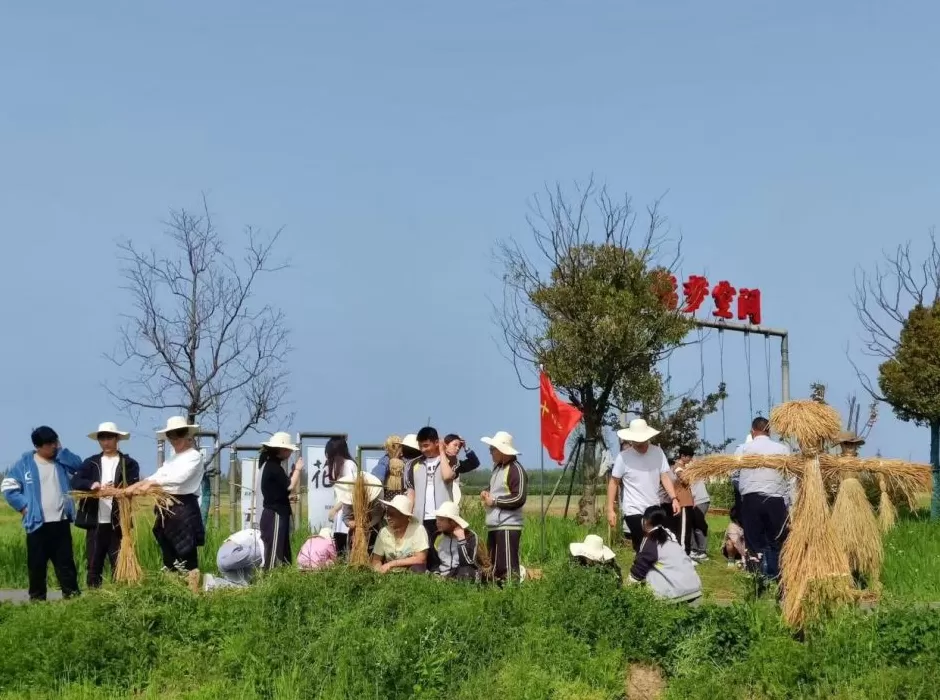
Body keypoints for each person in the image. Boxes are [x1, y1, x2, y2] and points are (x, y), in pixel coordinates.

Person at [2, 426, 83, 601]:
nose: (54, 446)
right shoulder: (25, 464)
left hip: (60, 522)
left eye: (55, 442)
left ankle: (73, 599)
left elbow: (79, 466)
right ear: (39, 446)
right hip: (37, 524)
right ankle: (37, 602)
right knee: (37, 565)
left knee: (66, 564)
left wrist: (62, 451)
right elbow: (8, 488)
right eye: (50, 443)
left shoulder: (61, 462)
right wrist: (24, 508)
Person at [126, 416, 205, 577]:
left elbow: (179, 478)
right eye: (171, 435)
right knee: (169, 553)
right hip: (166, 509)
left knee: (187, 554)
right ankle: (173, 587)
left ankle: (193, 592)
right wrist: (136, 486)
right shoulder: (171, 459)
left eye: (179, 433)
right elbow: (158, 474)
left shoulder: (194, 456)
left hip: (183, 507)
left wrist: (152, 484)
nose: (175, 439)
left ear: (187, 434)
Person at [71, 422, 141, 588]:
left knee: (119, 562)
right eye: (102, 438)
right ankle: (94, 598)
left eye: (109, 437)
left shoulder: (128, 464)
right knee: (94, 564)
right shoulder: (91, 463)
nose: (106, 441)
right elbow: (75, 480)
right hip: (95, 521)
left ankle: (120, 598)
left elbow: (133, 486)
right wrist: (92, 485)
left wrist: (117, 491)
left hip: (118, 523)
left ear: (117, 439)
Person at [606, 419, 679, 552]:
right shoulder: (623, 457)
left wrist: (674, 498)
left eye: (642, 440)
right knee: (643, 544)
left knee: (657, 545)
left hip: (653, 507)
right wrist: (610, 509)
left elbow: (664, 476)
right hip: (633, 509)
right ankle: (640, 570)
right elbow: (614, 482)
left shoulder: (657, 452)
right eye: (636, 440)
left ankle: (650, 570)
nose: (639, 443)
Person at [737, 416, 791, 580]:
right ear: (769, 431)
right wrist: (788, 503)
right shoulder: (782, 449)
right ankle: (776, 574)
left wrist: (743, 491)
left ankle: (755, 576)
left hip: (751, 499)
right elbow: (790, 478)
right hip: (775, 499)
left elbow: (734, 475)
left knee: (753, 540)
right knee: (777, 539)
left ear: (753, 431)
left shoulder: (743, 450)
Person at [627, 505, 703, 603]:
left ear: (645, 521)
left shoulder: (651, 540)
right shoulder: (670, 536)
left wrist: (626, 589)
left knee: (650, 571)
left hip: (676, 595)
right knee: (659, 565)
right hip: (695, 590)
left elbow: (639, 570)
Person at [480, 431, 527, 584]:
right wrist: (487, 492)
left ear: (501, 450)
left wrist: (494, 501)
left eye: (492, 449)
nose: (490, 453)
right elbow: (496, 490)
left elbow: (519, 497)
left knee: (507, 566)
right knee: (493, 563)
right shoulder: (497, 468)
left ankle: (510, 594)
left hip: (508, 525)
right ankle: (496, 592)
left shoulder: (515, 469)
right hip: (495, 524)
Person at [405, 427, 458, 548]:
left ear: (436, 442)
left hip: (444, 516)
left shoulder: (450, 460)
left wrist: (442, 452)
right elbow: (411, 492)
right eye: (420, 446)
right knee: (424, 551)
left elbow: (447, 476)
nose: (423, 449)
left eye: (426, 445)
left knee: (443, 551)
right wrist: (408, 514)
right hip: (420, 518)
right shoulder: (413, 464)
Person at [258, 432, 302, 570]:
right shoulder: (273, 467)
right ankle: (270, 581)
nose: (289, 453)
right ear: (282, 450)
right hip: (275, 514)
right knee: (275, 552)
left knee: (281, 551)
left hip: (275, 513)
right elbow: (289, 486)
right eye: (288, 450)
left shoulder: (271, 465)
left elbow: (280, 489)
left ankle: (281, 579)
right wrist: (298, 470)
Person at [371, 494, 430, 574]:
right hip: (390, 575)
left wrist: (391, 564)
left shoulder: (418, 529)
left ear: (404, 515)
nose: (388, 517)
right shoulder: (384, 532)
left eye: (392, 514)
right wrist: (378, 570)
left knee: (418, 568)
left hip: (412, 574)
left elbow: (421, 558)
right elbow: (376, 559)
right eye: (387, 514)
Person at [324, 436, 358, 554]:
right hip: (340, 511)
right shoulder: (336, 466)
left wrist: (335, 508)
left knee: (346, 542)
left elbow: (351, 492)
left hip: (347, 510)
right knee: (339, 543)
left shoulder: (349, 465)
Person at [675, 445, 710, 560]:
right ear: (682, 456)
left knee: (698, 525)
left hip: (697, 500)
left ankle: (699, 550)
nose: (690, 459)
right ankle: (690, 552)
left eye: (691, 457)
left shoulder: (688, 468)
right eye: (689, 456)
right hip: (687, 502)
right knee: (688, 527)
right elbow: (684, 478)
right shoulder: (679, 468)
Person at [336, 472, 385, 552]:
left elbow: (377, 515)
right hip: (355, 531)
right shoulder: (349, 495)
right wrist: (350, 523)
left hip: (372, 528)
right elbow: (346, 516)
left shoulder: (376, 494)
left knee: (372, 550)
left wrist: (365, 526)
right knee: (354, 549)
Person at [431, 500, 480, 581]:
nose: (437, 523)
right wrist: (436, 572)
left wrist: (461, 540)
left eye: (441, 520)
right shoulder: (437, 537)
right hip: (443, 574)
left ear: (452, 521)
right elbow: (435, 562)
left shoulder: (470, 536)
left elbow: (468, 563)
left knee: (466, 572)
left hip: (462, 572)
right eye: (437, 519)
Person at [661, 457, 697, 558]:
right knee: (683, 531)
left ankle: (683, 554)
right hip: (677, 504)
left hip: (681, 503)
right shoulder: (677, 469)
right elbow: (685, 480)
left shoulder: (676, 470)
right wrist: (693, 471)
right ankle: (683, 555)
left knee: (682, 530)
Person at [443, 433, 481, 505]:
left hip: (450, 501)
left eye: (459, 446)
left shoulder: (458, 465)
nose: (457, 448)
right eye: (455, 445)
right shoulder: (436, 461)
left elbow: (475, 463)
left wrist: (465, 448)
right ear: (446, 445)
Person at [372, 435, 407, 500]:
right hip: (389, 492)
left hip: (401, 492)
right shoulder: (385, 460)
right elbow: (378, 476)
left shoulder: (404, 460)